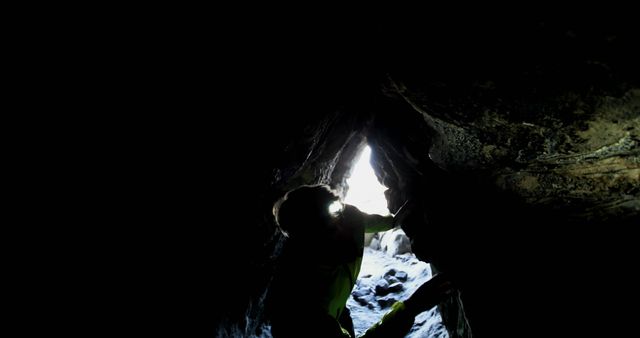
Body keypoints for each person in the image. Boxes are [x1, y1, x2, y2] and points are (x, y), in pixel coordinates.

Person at [266, 184, 454, 338]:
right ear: (308, 242)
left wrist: (404, 211)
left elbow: (383, 222)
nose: (343, 231)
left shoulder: (348, 218)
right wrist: (411, 307)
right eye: (328, 231)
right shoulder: (301, 302)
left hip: (339, 310)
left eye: (339, 218)